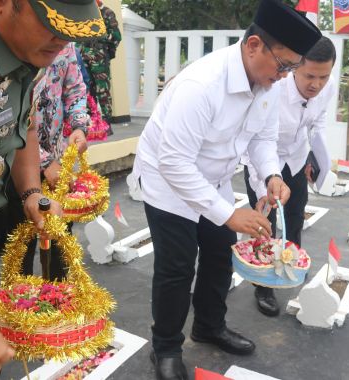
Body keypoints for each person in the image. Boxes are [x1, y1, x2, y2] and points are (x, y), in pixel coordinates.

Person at [132, 0, 321, 378]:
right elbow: (174, 162)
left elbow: (263, 139)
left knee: (220, 253)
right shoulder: (200, 86)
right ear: (253, 46)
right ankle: (166, 347)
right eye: (283, 65)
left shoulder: (266, 83)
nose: (285, 76)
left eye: (291, 68)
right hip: (167, 183)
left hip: (212, 180)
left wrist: (271, 176)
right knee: (177, 267)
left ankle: (209, 325)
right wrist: (228, 213)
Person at [0, 0, 105, 379]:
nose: (64, 40)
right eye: (53, 24)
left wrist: (29, 193)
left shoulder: (21, 45)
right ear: (2, 3)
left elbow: (20, 123)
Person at [243, 37, 337, 316]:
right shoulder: (273, 88)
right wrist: (261, 187)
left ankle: (291, 265)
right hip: (264, 161)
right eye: (309, 75)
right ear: (296, 66)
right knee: (266, 223)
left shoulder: (327, 87)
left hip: (295, 160)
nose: (316, 84)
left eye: (324, 76)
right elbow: (254, 142)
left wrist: (313, 156)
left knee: (295, 218)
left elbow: (317, 122)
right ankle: (263, 286)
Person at [0, 42, 90, 280]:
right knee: (19, 244)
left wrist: (78, 127)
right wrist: (44, 163)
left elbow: (75, 89)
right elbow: (13, 117)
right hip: (17, 163)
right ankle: (20, 307)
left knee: (60, 239)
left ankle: (58, 301)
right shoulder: (15, 45)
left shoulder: (66, 46)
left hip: (59, 164)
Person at [79, 0, 121, 131]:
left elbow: (116, 36)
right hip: (84, 55)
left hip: (99, 57)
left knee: (102, 89)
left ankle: (106, 123)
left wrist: (103, 44)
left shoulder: (107, 13)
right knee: (86, 88)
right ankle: (91, 122)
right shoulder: (85, 12)